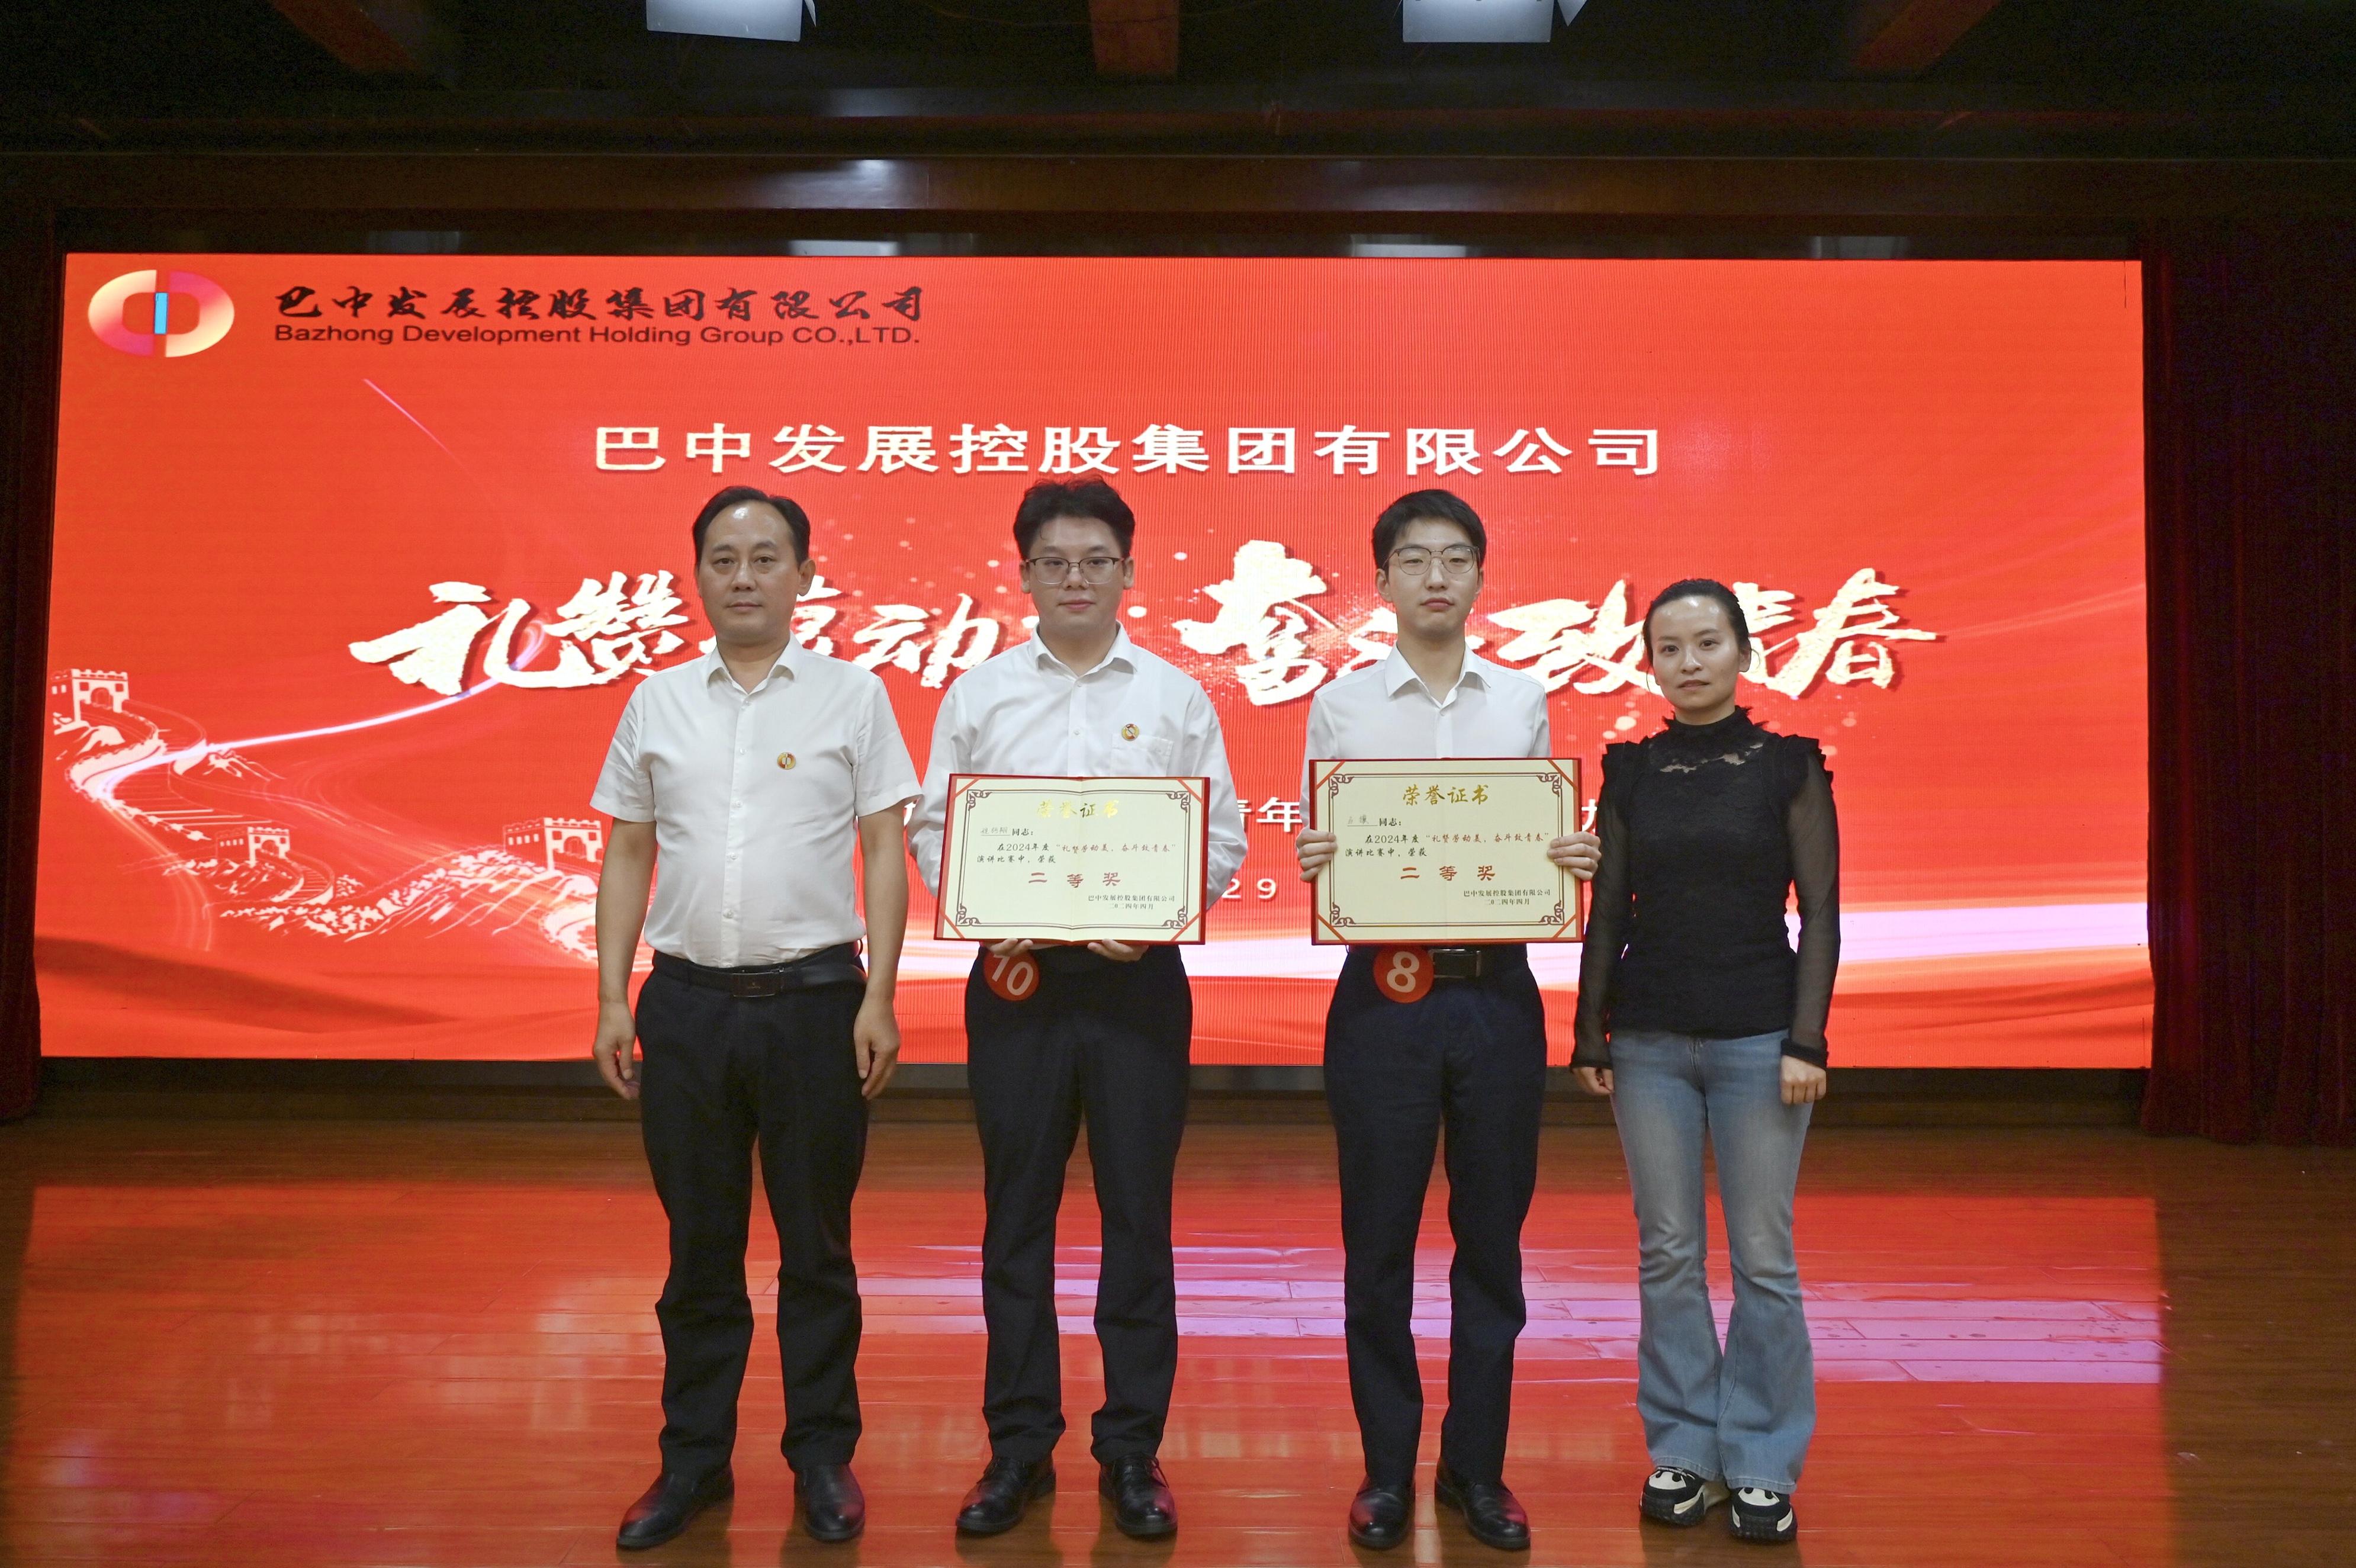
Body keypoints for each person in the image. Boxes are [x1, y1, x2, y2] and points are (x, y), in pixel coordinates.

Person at [909, 478, 1247, 1541]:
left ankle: (1132, 1447)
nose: (1075, 579)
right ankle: (1018, 1446)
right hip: (1018, 983)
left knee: (1138, 1217)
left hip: (1138, 982)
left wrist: (1160, 915)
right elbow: (934, 827)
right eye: (1054, 562)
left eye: (1096, 561)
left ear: (1129, 574)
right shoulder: (980, 694)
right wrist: (978, 905)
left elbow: (1222, 836)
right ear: (1023, 575)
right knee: (1017, 1216)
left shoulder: (1177, 697)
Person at [590, 486, 921, 1550]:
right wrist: (611, 996)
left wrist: (881, 994)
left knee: (817, 1249)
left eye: (767, 558)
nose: (744, 577)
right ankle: (692, 1461)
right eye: (724, 560)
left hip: (817, 1004)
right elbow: (628, 849)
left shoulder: (853, 697)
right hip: (686, 1006)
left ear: (804, 577)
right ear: (697, 576)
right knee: (700, 1249)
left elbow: (883, 848)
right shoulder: (657, 701)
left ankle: (822, 1457)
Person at [1293, 490, 1601, 1554]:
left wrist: (1566, 857)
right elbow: (1327, 843)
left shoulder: (1522, 700)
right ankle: (1385, 1471)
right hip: (1381, 1000)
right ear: (1381, 580)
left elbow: (1535, 839)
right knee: (1377, 1243)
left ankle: (1477, 1468)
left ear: (1478, 577)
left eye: (1456, 559)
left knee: (1493, 1243)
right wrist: (1321, 859)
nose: (1436, 577)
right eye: (1415, 559)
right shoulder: (1341, 705)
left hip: (1496, 996)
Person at [1571, 578, 1838, 1547]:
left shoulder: (1789, 765)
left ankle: (1762, 1458)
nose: (1689, 663)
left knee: (1764, 1259)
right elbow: (1611, 907)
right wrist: (1590, 1031)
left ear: (1744, 653)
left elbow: (1822, 912)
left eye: (1708, 643)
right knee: (1669, 1252)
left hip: (1762, 1040)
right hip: (1647, 1042)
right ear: (1651, 663)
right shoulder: (1632, 770)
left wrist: (1807, 1040)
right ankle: (1684, 1447)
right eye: (1670, 649)